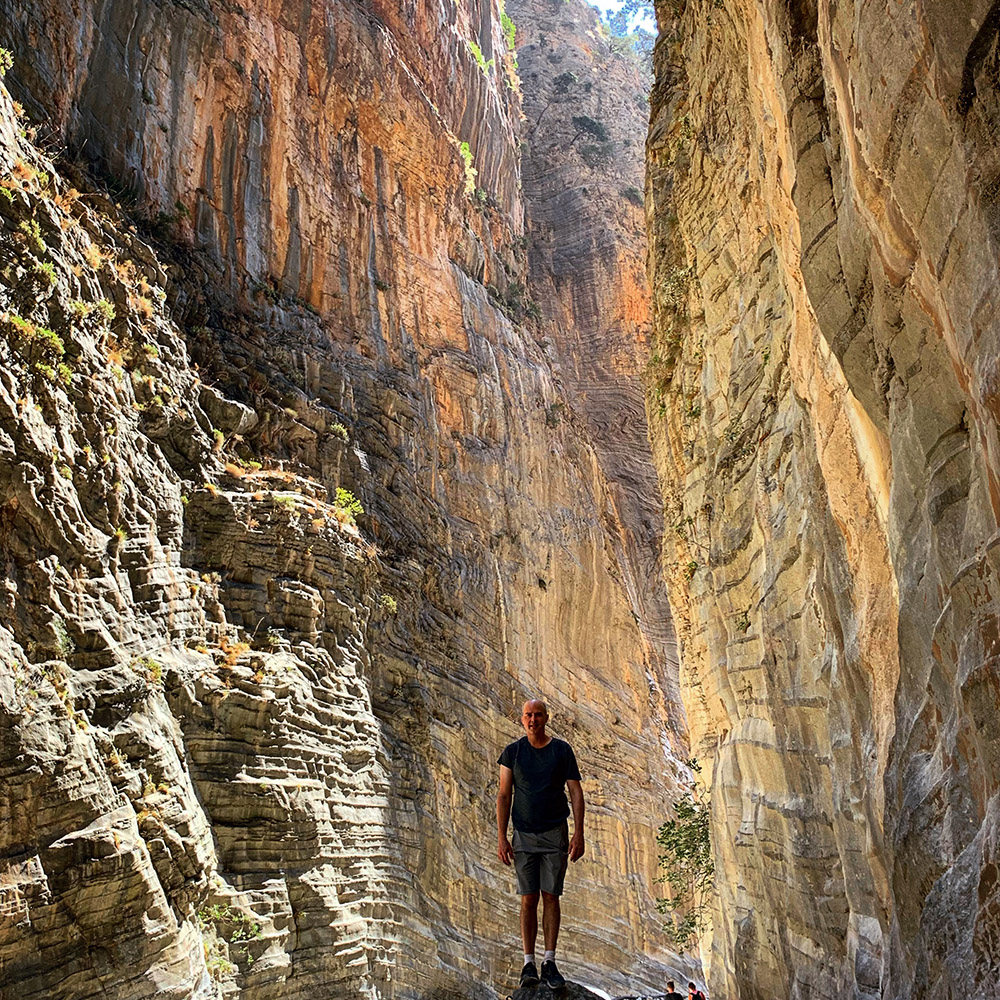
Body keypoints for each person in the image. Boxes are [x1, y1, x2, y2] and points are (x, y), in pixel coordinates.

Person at [497, 699, 584, 991]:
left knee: (551, 896)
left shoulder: (561, 750)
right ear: (521, 719)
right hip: (522, 834)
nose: (532, 720)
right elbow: (503, 796)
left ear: (547, 718)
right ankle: (528, 963)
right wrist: (501, 837)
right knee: (528, 898)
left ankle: (549, 961)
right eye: (528, 715)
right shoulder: (513, 753)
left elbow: (575, 791)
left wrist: (579, 833)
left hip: (555, 832)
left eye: (537, 715)